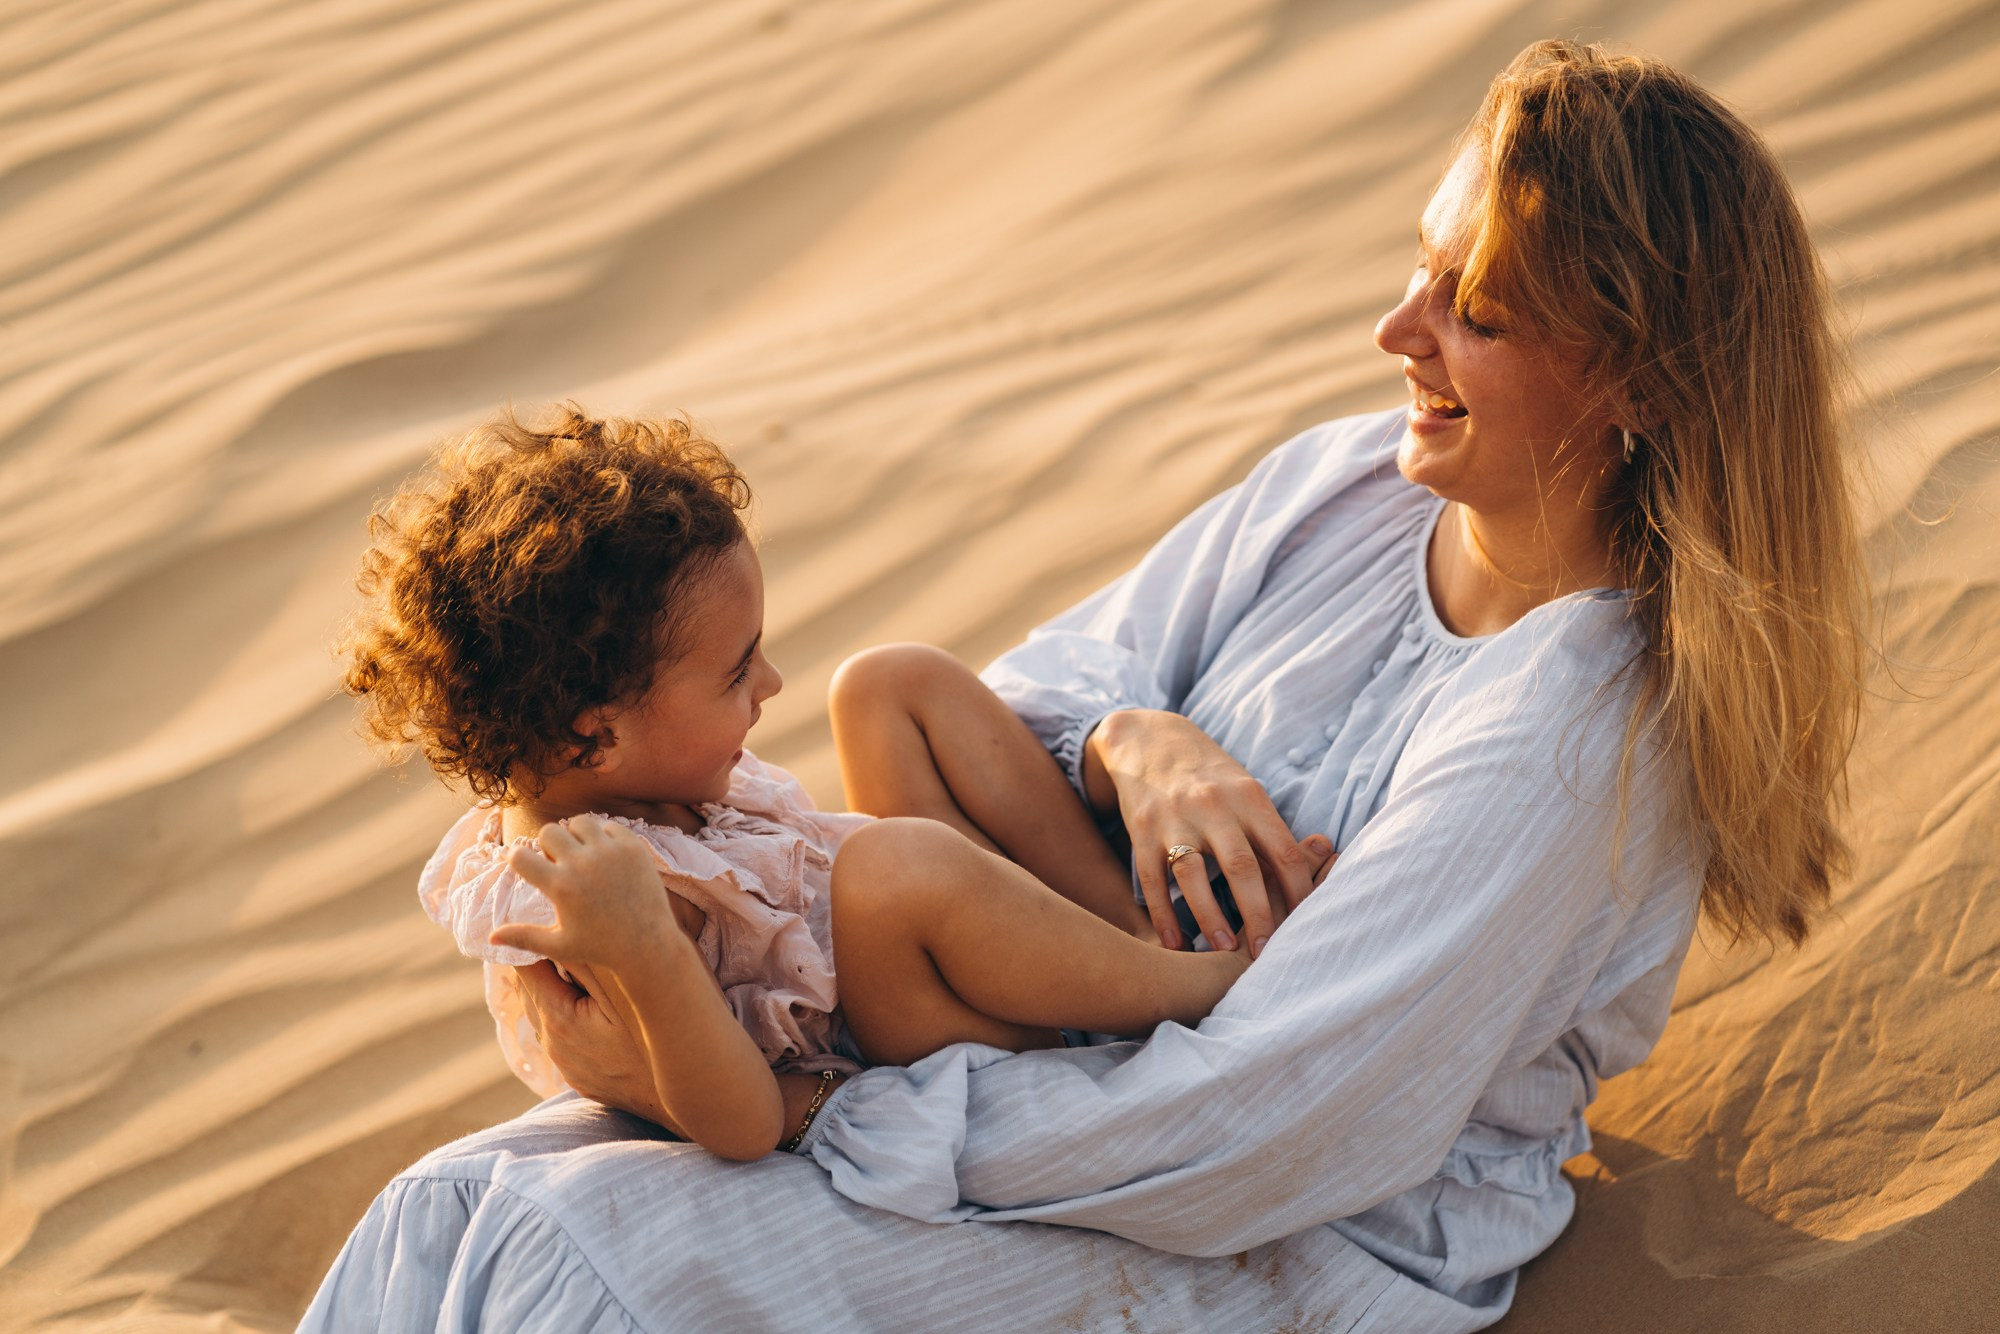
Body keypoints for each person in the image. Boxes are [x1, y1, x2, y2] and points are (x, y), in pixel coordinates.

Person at [302, 38, 1867, 1332]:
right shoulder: (1348, 488)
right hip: (1003, 1088)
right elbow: (1043, 681)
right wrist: (1140, 738)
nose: (1397, 331)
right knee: (445, 1215)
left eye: (1484, 310)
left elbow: (1272, 1123)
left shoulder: (1574, 733)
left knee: (578, 1276)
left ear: (1648, 382)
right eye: (1420, 266)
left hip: (1273, 1238)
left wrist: (836, 1116)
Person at [342, 407, 1335, 1159]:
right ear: (596, 734)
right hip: (911, 1049)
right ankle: (1206, 985)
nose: (769, 685)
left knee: (886, 682)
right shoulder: (578, 901)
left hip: (949, 956)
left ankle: (1122, 933)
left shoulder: (628, 780)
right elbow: (731, 1121)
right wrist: (643, 947)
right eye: (736, 673)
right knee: (883, 872)